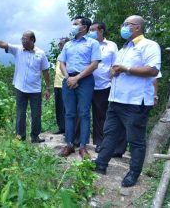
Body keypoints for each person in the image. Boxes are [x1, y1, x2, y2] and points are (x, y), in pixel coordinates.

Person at [94, 15, 161, 188]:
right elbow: (116, 69)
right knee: (109, 133)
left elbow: (153, 70)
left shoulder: (149, 46)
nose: (123, 27)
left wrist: (126, 69)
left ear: (137, 27)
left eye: (126, 24)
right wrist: (113, 71)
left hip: (135, 101)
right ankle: (101, 164)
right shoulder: (124, 49)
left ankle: (133, 173)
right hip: (116, 99)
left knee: (135, 139)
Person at [0, 31, 51, 143]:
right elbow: (2, 44)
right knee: (20, 113)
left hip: (35, 89)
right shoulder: (17, 49)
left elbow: (46, 72)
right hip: (20, 88)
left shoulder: (41, 53)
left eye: (25, 39)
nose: (23, 41)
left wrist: (48, 88)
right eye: (22, 39)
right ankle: (20, 137)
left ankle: (35, 137)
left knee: (36, 114)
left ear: (32, 40)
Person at [58, 16, 101, 158]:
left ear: (84, 27)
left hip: (85, 80)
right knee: (69, 113)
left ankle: (83, 146)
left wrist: (77, 78)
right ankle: (69, 144)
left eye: (75, 24)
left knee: (83, 113)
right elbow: (62, 63)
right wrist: (68, 78)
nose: (73, 26)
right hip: (68, 80)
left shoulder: (92, 43)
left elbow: (94, 64)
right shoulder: (68, 45)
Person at [87, 22, 118, 153]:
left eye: (93, 30)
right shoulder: (88, 44)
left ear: (101, 31)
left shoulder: (111, 46)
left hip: (104, 85)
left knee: (101, 115)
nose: (90, 32)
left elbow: (115, 64)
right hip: (87, 84)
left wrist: (112, 79)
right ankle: (79, 140)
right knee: (83, 113)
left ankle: (101, 143)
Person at [53, 37, 69, 134]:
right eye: (59, 44)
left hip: (65, 84)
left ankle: (68, 128)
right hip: (57, 84)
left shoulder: (69, 54)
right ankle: (61, 127)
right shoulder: (60, 55)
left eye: (61, 44)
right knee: (58, 107)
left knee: (66, 108)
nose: (59, 45)